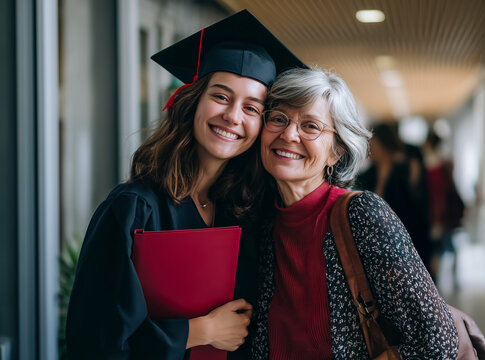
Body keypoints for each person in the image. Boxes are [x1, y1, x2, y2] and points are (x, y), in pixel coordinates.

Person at [65, 10, 306, 359]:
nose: (233, 116)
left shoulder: (249, 212)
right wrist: (199, 330)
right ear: (192, 102)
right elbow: (94, 339)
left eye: (252, 108)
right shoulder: (134, 208)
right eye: (221, 96)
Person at [251, 68, 458, 359]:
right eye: (278, 119)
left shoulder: (361, 215)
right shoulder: (260, 222)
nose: (288, 134)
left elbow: (438, 343)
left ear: (336, 151)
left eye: (310, 126)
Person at [355, 124, 432, 272]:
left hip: (406, 240)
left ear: (384, 144)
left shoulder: (405, 171)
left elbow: (418, 208)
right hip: (377, 245)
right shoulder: (366, 177)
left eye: (372, 144)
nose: (369, 150)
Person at [423, 129, 465, 285]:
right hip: (445, 213)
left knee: (438, 248)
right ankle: (448, 279)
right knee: (445, 246)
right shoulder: (445, 162)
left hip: (436, 213)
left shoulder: (429, 165)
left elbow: (436, 194)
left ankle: (436, 283)